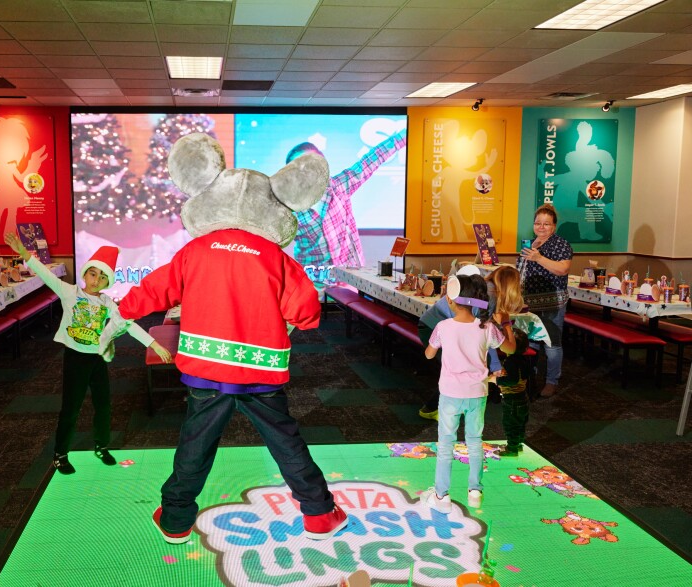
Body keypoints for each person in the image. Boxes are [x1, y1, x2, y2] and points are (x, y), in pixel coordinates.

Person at [119, 132, 348, 545]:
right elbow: (308, 313)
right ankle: (317, 513)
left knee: (196, 445)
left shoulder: (197, 250)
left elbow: (154, 290)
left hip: (207, 371)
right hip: (262, 373)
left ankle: (175, 520)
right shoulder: (277, 258)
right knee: (286, 443)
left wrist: (120, 309)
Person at [5, 231, 172, 474]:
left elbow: (128, 324)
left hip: (97, 359)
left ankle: (101, 446)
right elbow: (44, 274)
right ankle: (60, 454)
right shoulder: (69, 292)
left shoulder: (107, 303)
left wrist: (153, 344)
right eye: (93, 273)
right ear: (85, 273)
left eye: (103, 277)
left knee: (103, 405)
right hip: (75, 359)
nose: (96, 280)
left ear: (108, 283)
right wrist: (23, 253)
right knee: (71, 407)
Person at [421, 274, 516, 513]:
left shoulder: (443, 327)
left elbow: (429, 355)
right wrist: (505, 322)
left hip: (451, 393)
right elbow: (509, 348)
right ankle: (475, 490)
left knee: (446, 443)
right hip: (477, 393)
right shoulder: (487, 328)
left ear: (451, 300)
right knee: (474, 441)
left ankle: (441, 495)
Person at [288, 130, 407, 281]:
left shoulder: (339, 186)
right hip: (313, 280)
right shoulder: (290, 207)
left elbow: (371, 160)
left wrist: (403, 137)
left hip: (349, 276)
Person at [417, 265, 525, 420]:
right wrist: (495, 365)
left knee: (457, 369)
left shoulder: (485, 288)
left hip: (431, 325)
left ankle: (446, 406)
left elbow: (482, 331)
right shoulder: (490, 295)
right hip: (434, 328)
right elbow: (483, 331)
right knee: (457, 369)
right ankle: (433, 408)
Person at [518, 204, 573, 398]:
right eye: (537, 223)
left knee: (552, 343)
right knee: (531, 341)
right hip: (529, 303)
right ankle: (531, 377)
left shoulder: (561, 244)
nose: (541, 227)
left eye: (546, 224)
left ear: (554, 226)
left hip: (552, 303)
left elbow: (562, 269)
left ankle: (551, 381)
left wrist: (539, 258)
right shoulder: (529, 244)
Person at [494, 329, 531, 457]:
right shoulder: (524, 359)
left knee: (511, 424)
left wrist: (497, 380)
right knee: (520, 422)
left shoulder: (510, 361)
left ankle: (512, 448)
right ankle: (518, 443)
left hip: (512, 399)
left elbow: (512, 380)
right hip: (522, 397)